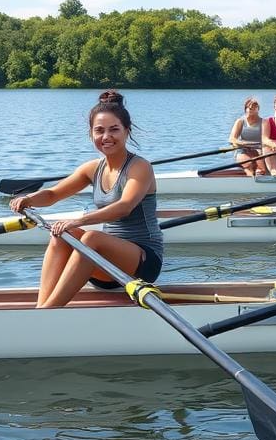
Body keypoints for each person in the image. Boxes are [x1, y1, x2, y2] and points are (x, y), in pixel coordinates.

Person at [9, 90, 164, 308]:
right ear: (91, 134)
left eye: (114, 130)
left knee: (90, 237)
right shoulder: (92, 168)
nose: (106, 137)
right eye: (99, 131)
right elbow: (53, 194)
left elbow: (125, 207)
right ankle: (41, 307)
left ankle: (48, 312)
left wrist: (79, 221)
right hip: (104, 265)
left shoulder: (140, 167)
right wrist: (29, 199)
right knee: (65, 234)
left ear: (126, 132)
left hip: (143, 262)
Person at [228, 97, 267, 176]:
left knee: (261, 170)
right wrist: (243, 144)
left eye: (253, 108)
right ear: (245, 109)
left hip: (259, 150)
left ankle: (259, 177)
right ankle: (250, 181)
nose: (250, 109)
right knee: (248, 166)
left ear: (258, 109)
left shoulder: (264, 122)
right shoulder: (240, 121)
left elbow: (265, 139)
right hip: (243, 150)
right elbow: (232, 139)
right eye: (248, 108)